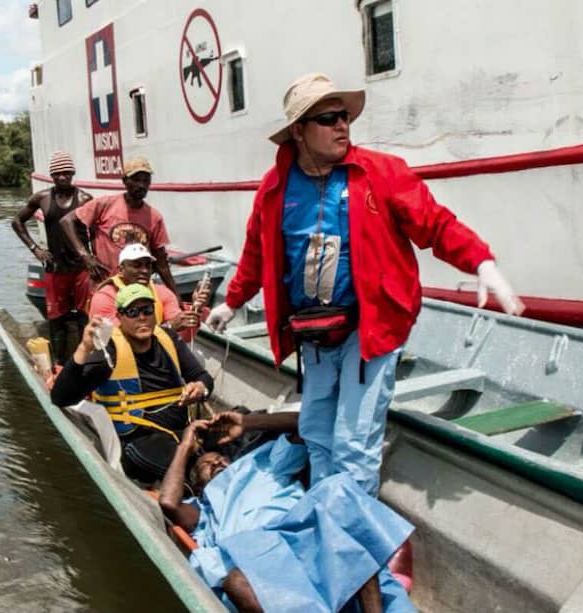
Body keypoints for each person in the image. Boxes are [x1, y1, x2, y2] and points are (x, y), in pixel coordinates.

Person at [207, 73, 524, 498]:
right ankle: (326, 514)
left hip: (369, 329)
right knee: (317, 432)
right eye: (328, 118)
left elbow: (434, 223)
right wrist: (232, 302)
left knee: (355, 441)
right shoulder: (275, 189)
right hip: (314, 333)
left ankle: (349, 539)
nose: (342, 125)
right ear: (299, 131)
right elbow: (256, 253)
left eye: (345, 117)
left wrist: (481, 261)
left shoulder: (380, 173)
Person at [159, 414, 416, 613]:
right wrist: (185, 444)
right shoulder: (205, 509)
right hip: (263, 562)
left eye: (221, 460)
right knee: (236, 583)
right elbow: (169, 504)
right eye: (206, 466)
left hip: (302, 538)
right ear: (199, 485)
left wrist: (247, 423)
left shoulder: (261, 465)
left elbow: (305, 423)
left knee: (338, 497)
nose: (216, 463)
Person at [51, 283, 212, 482]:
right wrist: (84, 348)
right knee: (197, 467)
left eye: (147, 310)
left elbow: (203, 377)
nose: (142, 317)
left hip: (183, 431)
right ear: (119, 318)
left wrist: (200, 388)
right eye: (133, 312)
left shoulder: (168, 338)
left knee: (238, 430)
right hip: (141, 441)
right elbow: (61, 397)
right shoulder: (110, 353)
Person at [11, 151, 93, 366]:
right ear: (52, 176)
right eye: (57, 174)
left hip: (81, 269)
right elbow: (17, 221)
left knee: (84, 316)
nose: (62, 177)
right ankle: (58, 363)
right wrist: (35, 249)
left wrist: (94, 259)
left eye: (66, 173)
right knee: (57, 318)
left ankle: (83, 362)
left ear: (73, 174)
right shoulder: (43, 198)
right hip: (55, 268)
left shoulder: (85, 199)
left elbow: (96, 231)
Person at [60, 156, 180, 298]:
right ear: (124, 181)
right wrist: (86, 256)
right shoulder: (105, 204)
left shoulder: (154, 217)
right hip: (105, 286)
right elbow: (67, 222)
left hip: (138, 291)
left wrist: (175, 295)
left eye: (146, 180)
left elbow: (161, 263)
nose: (141, 185)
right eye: (136, 180)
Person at [89, 243, 210, 341]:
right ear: (121, 270)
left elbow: (185, 337)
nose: (144, 270)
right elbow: (113, 341)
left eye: (148, 265)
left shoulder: (163, 293)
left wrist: (196, 309)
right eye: (137, 266)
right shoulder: (104, 297)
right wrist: (169, 328)